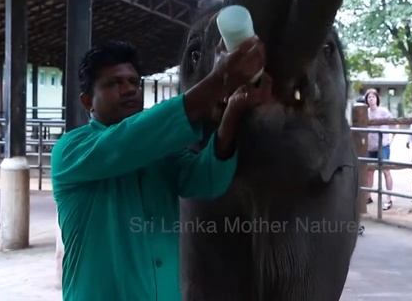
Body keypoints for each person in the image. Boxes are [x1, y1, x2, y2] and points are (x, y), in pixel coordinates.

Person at [51, 38, 270, 300]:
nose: (129, 89)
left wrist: (233, 111)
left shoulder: (158, 151)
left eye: (133, 82)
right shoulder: (71, 151)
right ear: (88, 101)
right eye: (114, 83)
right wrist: (219, 79)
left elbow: (207, 179)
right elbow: (130, 141)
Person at [364, 88, 396, 211]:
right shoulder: (365, 112)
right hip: (370, 146)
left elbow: (394, 123)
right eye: (369, 97)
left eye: (373, 96)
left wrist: (390, 137)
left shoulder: (383, 111)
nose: (371, 99)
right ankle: (368, 196)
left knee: (385, 170)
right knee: (369, 171)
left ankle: (389, 198)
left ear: (377, 98)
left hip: (382, 145)